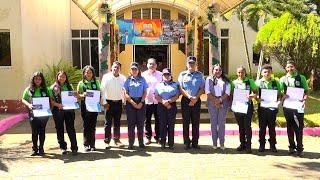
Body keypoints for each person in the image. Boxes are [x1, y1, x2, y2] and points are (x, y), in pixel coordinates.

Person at [279, 61, 308, 157]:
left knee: (298, 127)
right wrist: (283, 96)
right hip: (287, 106)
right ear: (286, 68)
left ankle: (300, 148)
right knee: (289, 127)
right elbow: (281, 93)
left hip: (298, 106)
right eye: (288, 67)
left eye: (291, 67)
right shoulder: (283, 79)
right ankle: (291, 146)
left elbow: (306, 91)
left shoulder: (301, 78)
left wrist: (304, 100)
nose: (290, 69)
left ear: (294, 67)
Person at [178, 56, 205, 150]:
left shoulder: (200, 75)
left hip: (197, 100)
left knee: (196, 122)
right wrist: (189, 97)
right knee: (185, 122)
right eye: (189, 63)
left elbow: (202, 88)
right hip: (185, 100)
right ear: (187, 64)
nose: (191, 65)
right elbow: (180, 88)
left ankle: (195, 142)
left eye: (193, 63)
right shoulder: (182, 75)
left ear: (196, 64)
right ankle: (186, 142)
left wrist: (195, 98)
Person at [49, 71, 79, 155]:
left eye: (64, 77)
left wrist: (76, 95)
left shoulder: (70, 86)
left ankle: (74, 147)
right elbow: (50, 99)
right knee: (59, 128)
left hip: (69, 111)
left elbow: (74, 98)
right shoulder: (52, 87)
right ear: (57, 77)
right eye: (60, 76)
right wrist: (57, 104)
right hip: (58, 110)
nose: (62, 78)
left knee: (71, 128)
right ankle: (63, 147)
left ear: (66, 78)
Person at [21, 72, 50, 156]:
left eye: (39, 79)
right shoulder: (29, 89)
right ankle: (34, 149)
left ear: (42, 80)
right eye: (36, 79)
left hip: (44, 114)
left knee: (42, 131)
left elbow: (49, 99)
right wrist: (29, 105)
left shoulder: (45, 89)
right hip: (32, 113)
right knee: (34, 131)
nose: (38, 80)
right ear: (33, 79)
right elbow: (23, 99)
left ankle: (41, 148)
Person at [255, 65, 282, 153]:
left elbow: (279, 94)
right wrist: (257, 98)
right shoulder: (258, 83)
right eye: (265, 72)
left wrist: (278, 100)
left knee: (272, 127)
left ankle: (273, 145)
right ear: (262, 73)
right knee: (262, 128)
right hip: (262, 108)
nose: (267, 73)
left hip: (272, 108)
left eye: (269, 72)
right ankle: (262, 145)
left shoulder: (276, 83)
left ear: (271, 73)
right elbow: (255, 94)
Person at [231, 66, 258, 153]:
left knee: (247, 126)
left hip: (247, 107)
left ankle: (248, 145)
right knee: (241, 127)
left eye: (242, 72)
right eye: (239, 72)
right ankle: (242, 144)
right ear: (237, 73)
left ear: (245, 73)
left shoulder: (250, 81)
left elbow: (255, 92)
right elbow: (231, 94)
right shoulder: (233, 83)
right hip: (238, 107)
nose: (240, 74)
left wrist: (252, 96)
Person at [100, 61, 126, 149]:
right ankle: (107, 141)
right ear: (111, 68)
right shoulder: (106, 77)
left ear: (120, 69)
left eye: (118, 67)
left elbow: (124, 91)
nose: (116, 69)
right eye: (114, 67)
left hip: (118, 103)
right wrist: (104, 102)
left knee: (117, 122)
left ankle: (117, 140)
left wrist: (124, 102)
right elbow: (102, 90)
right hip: (109, 103)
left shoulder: (123, 78)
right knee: (108, 123)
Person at [205, 64, 231, 150]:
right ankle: (214, 143)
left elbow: (227, 93)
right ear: (212, 71)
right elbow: (207, 92)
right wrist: (215, 101)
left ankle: (222, 143)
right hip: (212, 103)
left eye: (219, 70)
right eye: (216, 70)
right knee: (213, 124)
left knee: (221, 124)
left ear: (222, 71)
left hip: (223, 103)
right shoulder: (209, 79)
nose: (218, 71)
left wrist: (219, 100)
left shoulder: (226, 80)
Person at [123, 62, 148, 150]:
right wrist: (132, 103)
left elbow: (145, 91)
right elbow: (125, 93)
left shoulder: (143, 79)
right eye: (132, 69)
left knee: (140, 124)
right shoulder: (128, 80)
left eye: (135, 69)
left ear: (138, 70)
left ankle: (141, 143)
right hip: (130, 103)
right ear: (130, 70)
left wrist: (141, 102)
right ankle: (131, 143)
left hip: (141, 102)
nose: (134, 70)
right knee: (131, 124)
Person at [77, 65, 101, 152]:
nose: (88, 74)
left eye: (90, 72)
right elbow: (77, 96)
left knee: (93, 126)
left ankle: (92, 145)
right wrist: (82, 95)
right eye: (87, 72)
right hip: (85, 106)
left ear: (92, 73)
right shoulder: (81, 83)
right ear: (84, 73)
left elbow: (99, 93)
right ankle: (86, 144)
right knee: (86, 125)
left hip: (94, 106)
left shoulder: (96, 82)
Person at [155, 68, 180, 149]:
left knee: (171, 125)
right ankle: (163, 142)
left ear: (171, 75)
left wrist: (168, 102)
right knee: (162, 124)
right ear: (162, 76)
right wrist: (164, 102)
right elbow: (156, 96)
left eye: (168, 74)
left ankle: (171, 143)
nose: (166, 76)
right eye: (165, 74)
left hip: (171, 106)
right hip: (161, 106)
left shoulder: (175, 84)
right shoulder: (158, 84)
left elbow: (177, 96)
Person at [141, 58, 162, 145]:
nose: (151, 65)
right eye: (150, 64)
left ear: (156, 65)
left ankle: (158, 137)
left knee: (158, 119)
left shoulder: (161, 74)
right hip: (147, 100)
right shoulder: (143, 75)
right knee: (147, 120)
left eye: (153, 64)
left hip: (158, 101)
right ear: (147, 65)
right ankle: (148, 137)